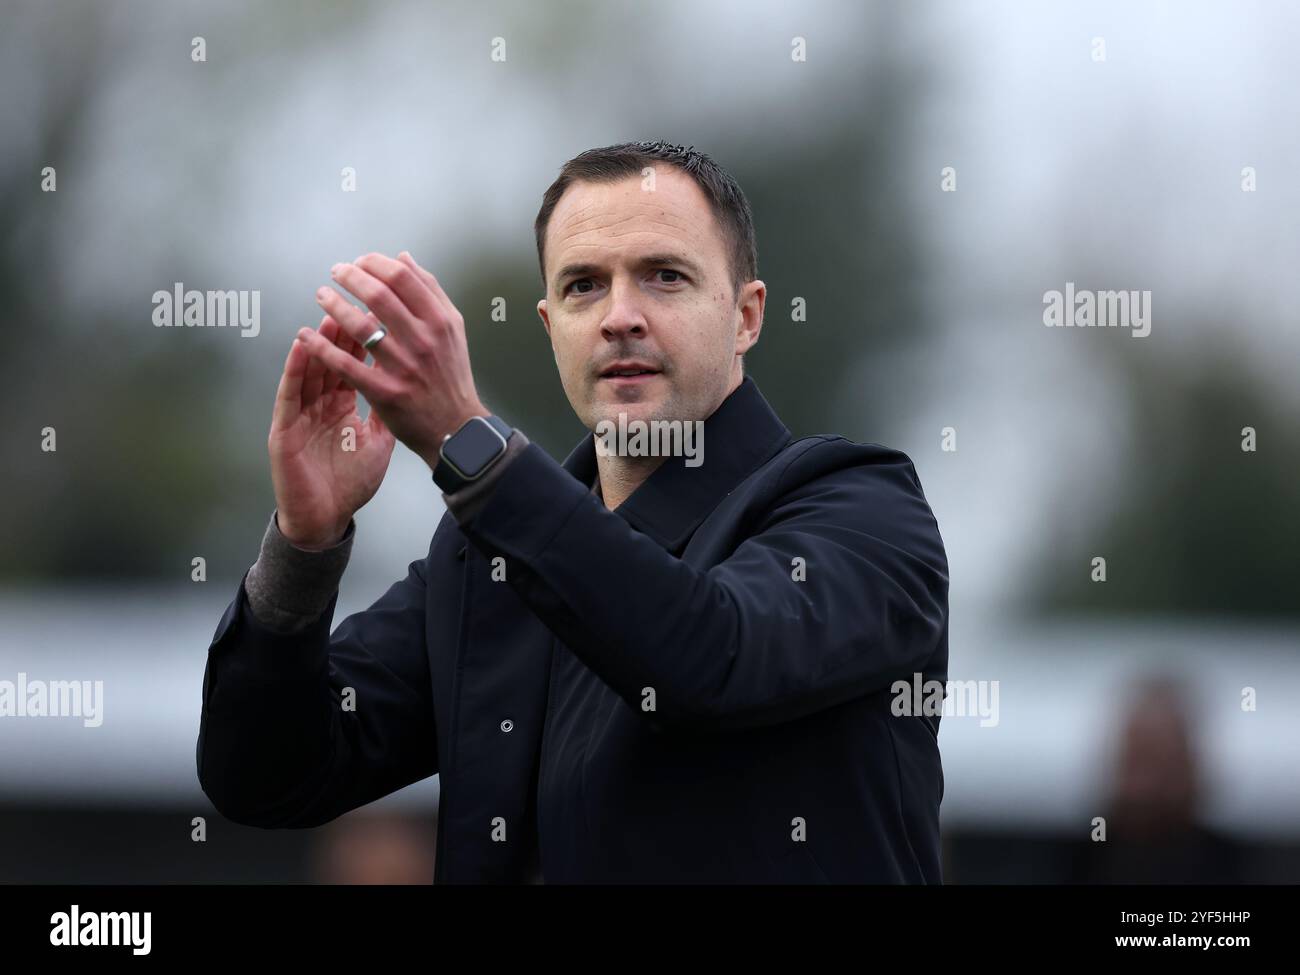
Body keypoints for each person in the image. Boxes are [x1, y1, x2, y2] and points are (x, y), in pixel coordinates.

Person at [196, 141, 951, 883]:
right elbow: (265, 777)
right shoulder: (482, 557)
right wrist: (304, 547)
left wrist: (470, 443)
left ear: (746, 316)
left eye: (665, 276)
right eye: (583, 286)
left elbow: (709, 656)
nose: (620, 316)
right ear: (551, 324)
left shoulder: (865, 509)